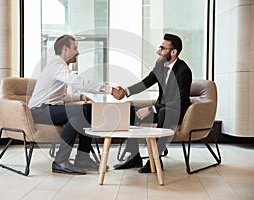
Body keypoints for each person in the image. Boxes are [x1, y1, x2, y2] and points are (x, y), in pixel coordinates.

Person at [29, 34, 119, 175]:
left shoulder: (60, 67)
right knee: (81, 110)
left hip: (49, 108)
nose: (78, 52)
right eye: (75, 48)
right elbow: (79, 82)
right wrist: (110, 90)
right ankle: (60, 161)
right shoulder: (56, 65)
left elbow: (59, 96)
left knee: (87, 109)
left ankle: (82, 157)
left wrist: (80, 96)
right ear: (65, 49)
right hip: (39, 111)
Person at [112, 33, 192, 173]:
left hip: (177, 111)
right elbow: (146, 82)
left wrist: (151, 109)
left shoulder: (183, 71)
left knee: (163, 113)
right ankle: (134, 156)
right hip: (161, 109)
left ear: (173, 52)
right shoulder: (160, 65)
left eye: (162, 48)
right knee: (132, 112)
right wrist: (126, 91)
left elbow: (179, 102)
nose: (158, 51)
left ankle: (154, 159)